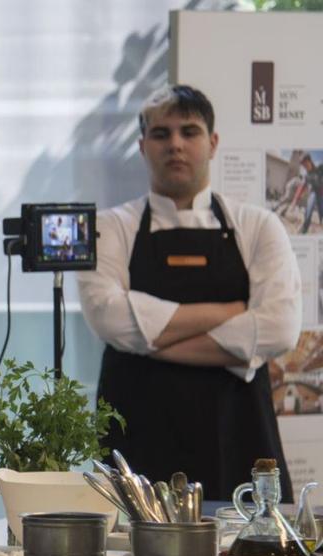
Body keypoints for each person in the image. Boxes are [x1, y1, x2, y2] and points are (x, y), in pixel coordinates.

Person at [78, 85, 301, 500]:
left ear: (213, 143)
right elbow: (108, 317)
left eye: (190, 132)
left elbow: (280, 329)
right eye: (161, 134)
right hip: (136, 437)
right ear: (142, 145)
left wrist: (151, 342)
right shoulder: (111, 227)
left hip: (239, 434)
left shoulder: (258, 226)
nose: (175, 145)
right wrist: (232, 312)